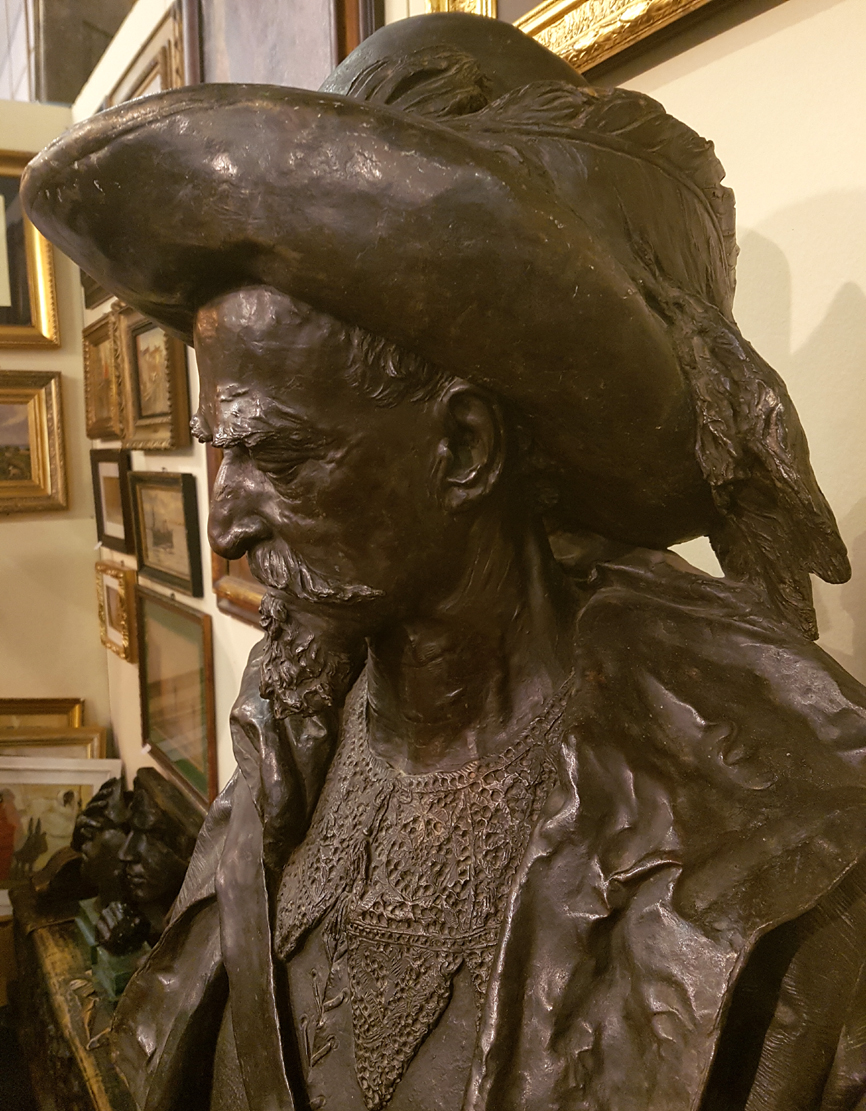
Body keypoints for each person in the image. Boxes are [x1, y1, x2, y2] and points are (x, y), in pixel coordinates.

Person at [22, 13, 866, 1111]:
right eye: (218, 451)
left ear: (463, 448)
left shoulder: (772, 854)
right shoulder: (292, 726)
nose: (223, 524)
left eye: (278, 454)